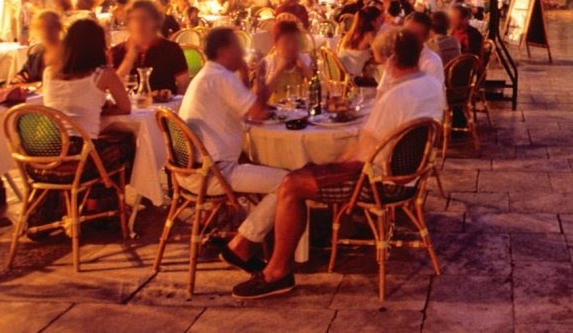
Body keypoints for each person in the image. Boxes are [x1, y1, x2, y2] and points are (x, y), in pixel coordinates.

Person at [231, 29, 444, 300]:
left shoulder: (396, 97)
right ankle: (258, 247)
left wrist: (322, 165)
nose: (379, 68)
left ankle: (277, 272)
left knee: (291, 184)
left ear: (391, 60)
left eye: (378, 62)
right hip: (409, 179)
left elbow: (360, 156)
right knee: (301, 174)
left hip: (378, 183)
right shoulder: (430, 85)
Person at [179, 28, 287, 275]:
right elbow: (257, 112)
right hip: (214, 174)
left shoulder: (210, 74)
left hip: (193, 171)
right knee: (287, 183)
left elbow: (245, 104)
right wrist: (261, 76)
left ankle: (250, 237)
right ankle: (241, 243)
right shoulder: (220, 77)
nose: (242, 51)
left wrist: (243, 72)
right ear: (225, 50)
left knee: (269, 171)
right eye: (237, 46)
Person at [41, 19, 134, 173]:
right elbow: (126, 108)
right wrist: (103, 110)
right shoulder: (103, 74)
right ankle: (109, 191)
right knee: (127, 141)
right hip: (81, 158)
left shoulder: (49, 72)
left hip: (45, 155)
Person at [111, 0, 189, 97]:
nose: (139, 24)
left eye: (145, 19)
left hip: (163, 108)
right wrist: (130, 57)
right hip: (127, 109)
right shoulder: (118, 51)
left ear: (155, 22)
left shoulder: (171, 49)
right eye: (134, 19)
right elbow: (112, 88)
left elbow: (183, 85)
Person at [255, 19, 314, 104]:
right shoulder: (266, 63)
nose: (291, 46)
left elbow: (318, 92)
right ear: (276, 44)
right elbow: (259, 100)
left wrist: (305, 69)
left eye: (295, 42)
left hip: (299, 112)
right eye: (286, 42)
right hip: (274, 113)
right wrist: (278, 70)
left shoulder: (305, 60)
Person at [11, 10, 64, 84]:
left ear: (59, 27)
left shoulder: (71, 54)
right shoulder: (35, 56)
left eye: (49, 27)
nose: (45, 32)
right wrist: (18, 79)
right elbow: (22, 74)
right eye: (40, 28)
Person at [337, 5, 382, 79]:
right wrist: (368, 61)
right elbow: (379, 58)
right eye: (380, 20)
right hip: (353, 80)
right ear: (373, 22)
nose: (381, 23)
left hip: (341, 75)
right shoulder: (369, 35)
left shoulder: (350, 34)